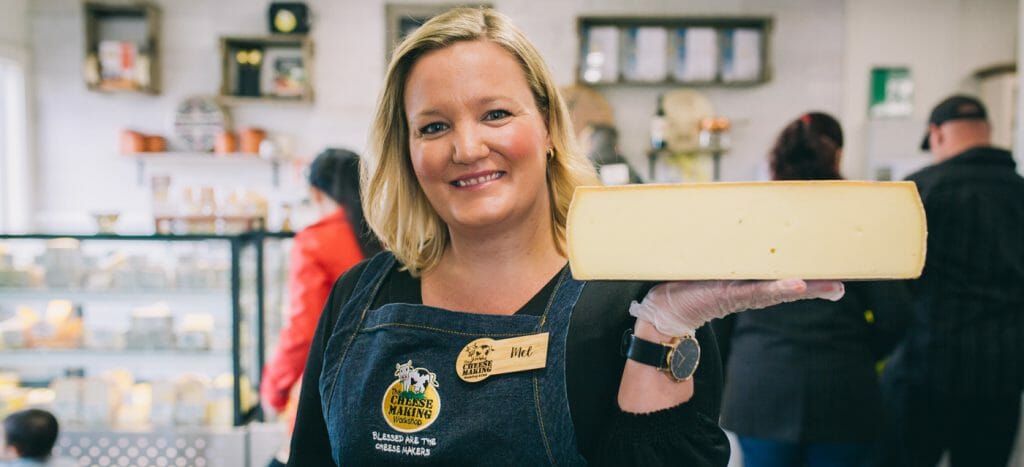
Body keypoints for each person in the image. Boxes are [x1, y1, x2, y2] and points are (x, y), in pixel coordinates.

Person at [287, 8, 843, 466]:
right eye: (434, 126)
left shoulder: (632, 301)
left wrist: (664, 330)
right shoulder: (360, 296)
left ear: (550, 127)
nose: (467, 147)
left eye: (496, 113)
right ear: (406, 150)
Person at [716, 112, 911, 467]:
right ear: (837, 156)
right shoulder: (860, 219)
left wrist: (740, 361)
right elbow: (895, 315)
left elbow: (720, 312)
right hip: (842, 387)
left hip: (760, 383)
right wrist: (858, 350)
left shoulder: (751, 217)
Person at [877, 95, 1024, 467]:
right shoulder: (1019, 191)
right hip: (1003, 372)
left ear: (936, 134)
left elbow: (891, 285)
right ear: (988, 132)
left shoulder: (919, 190)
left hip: (924, 367)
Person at [261, 149, 381, 466]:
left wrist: (275, 388)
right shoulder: (389, 235)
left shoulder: (315, 242)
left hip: (328, 391)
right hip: (384, 387)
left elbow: (303, 331)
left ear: (315, 192)